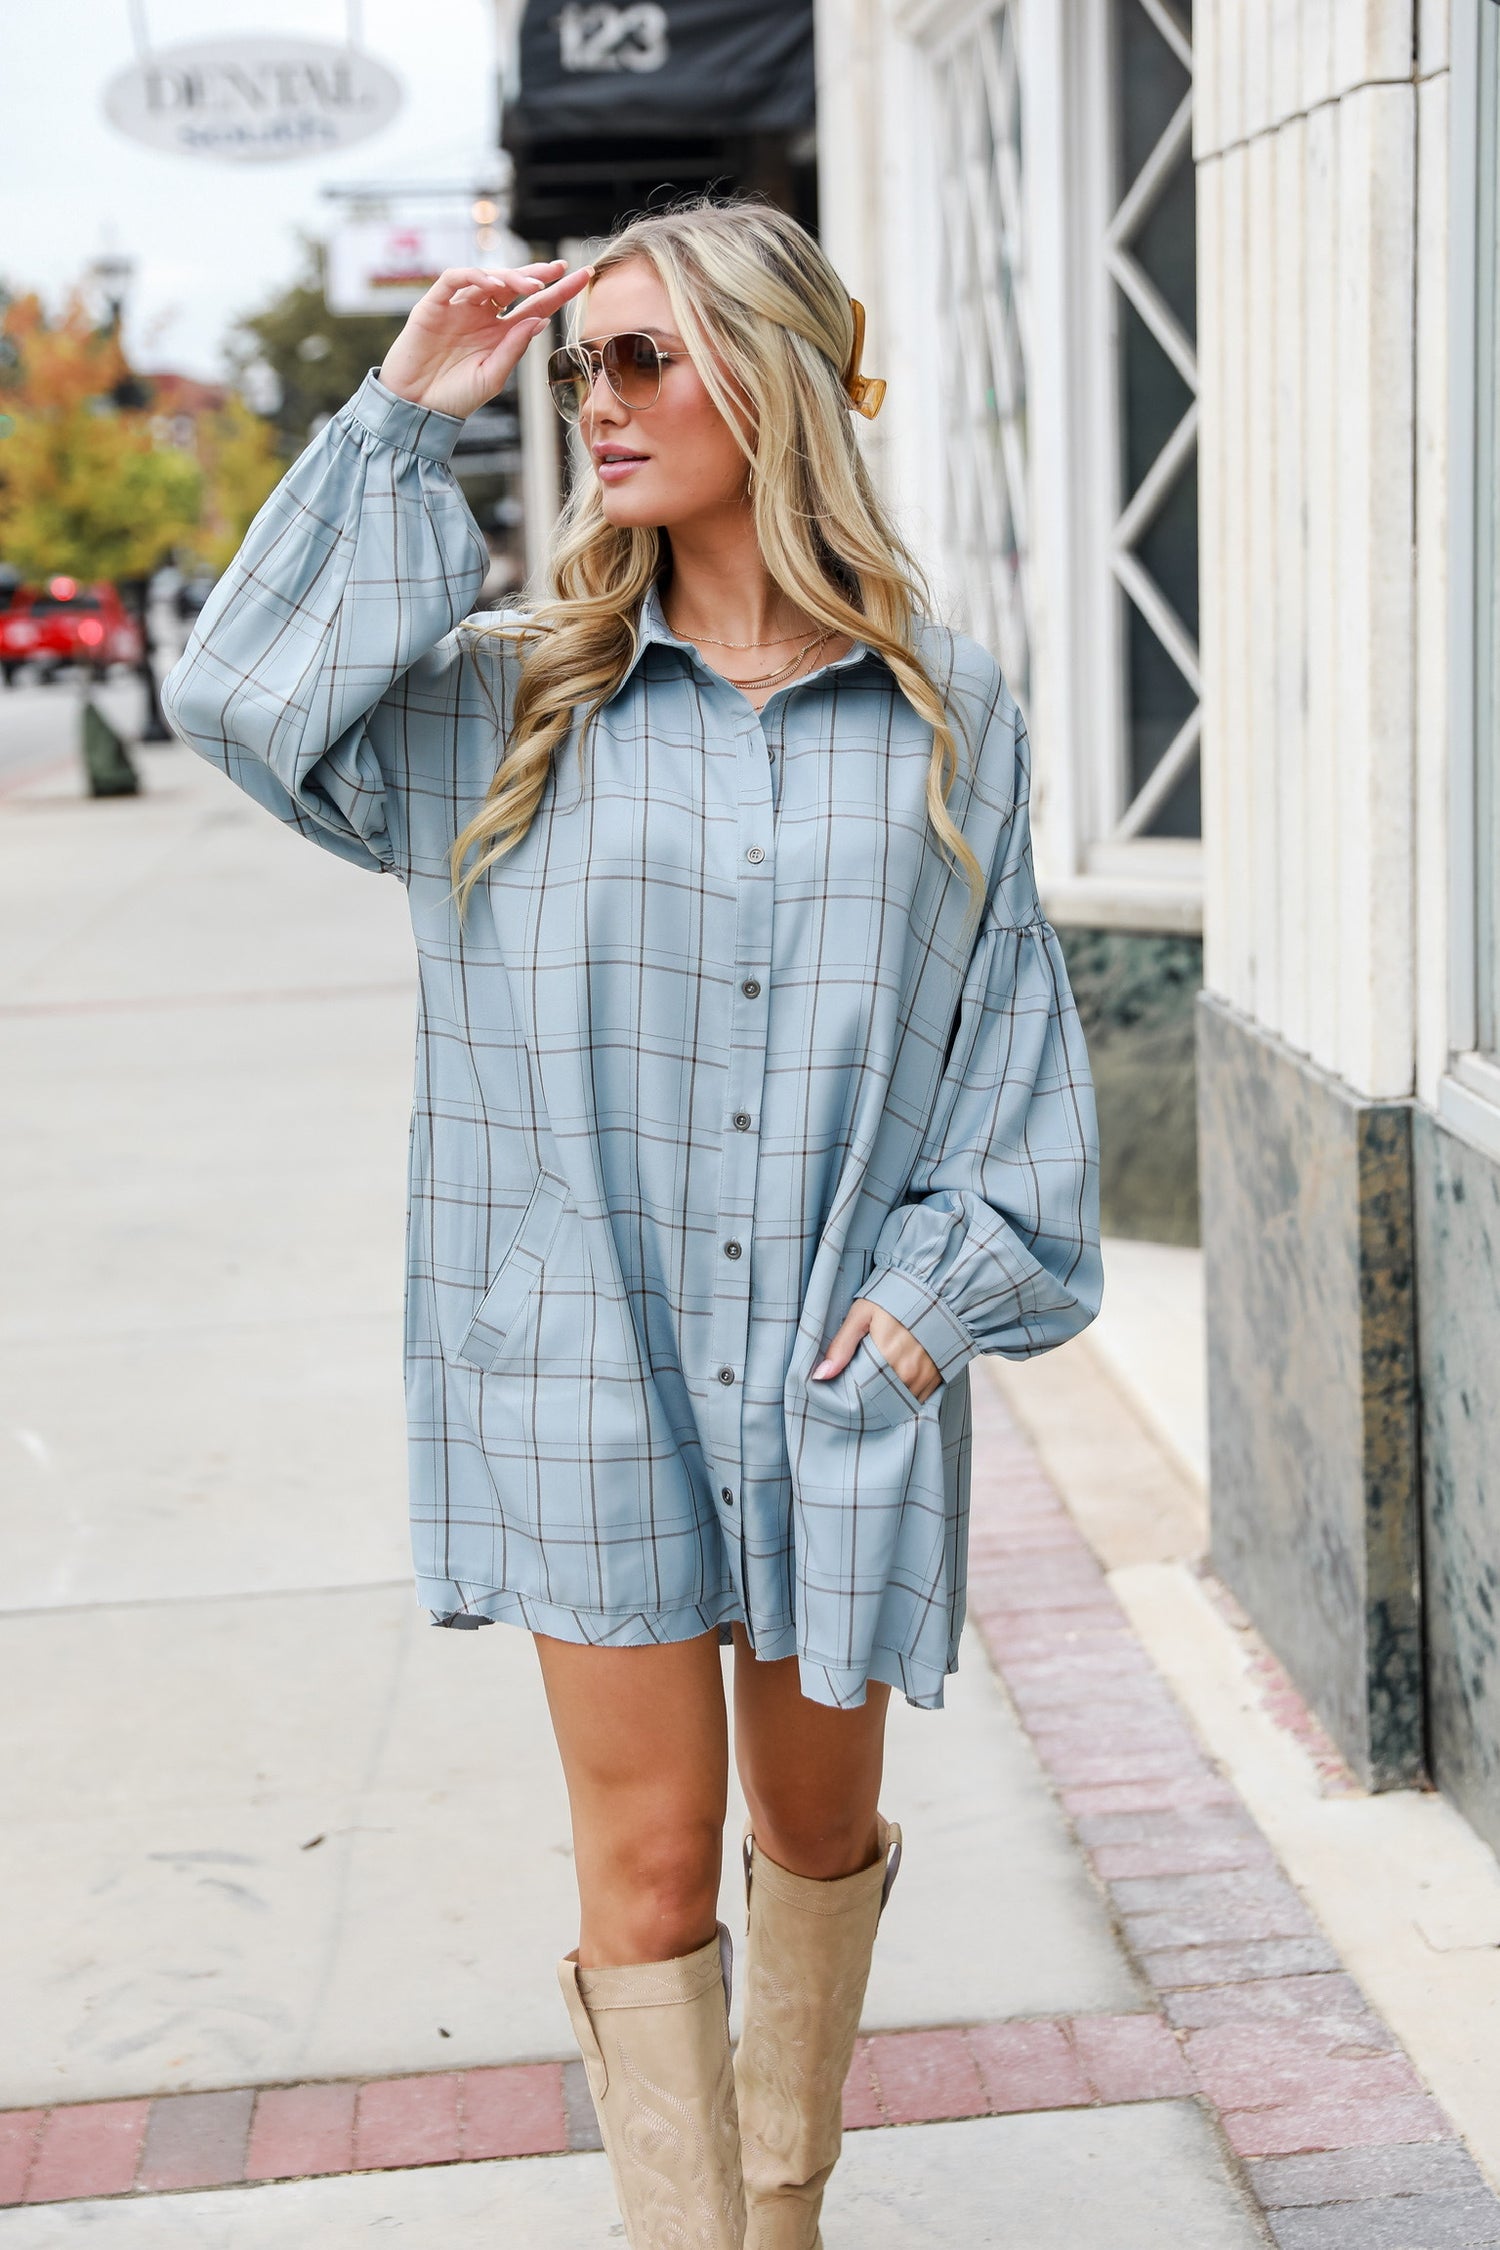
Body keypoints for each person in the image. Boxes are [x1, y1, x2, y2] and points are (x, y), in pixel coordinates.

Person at [162, 196, 1101, 2249]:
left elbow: (1015, 1071)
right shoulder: (508, 707)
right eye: (589, 365)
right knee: (656, 1865)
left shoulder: (952, 718)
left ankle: (791, 2192)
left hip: (841, 1370)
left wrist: (936, 1305)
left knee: (817, 1829)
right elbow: (233, 703)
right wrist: (410, 413)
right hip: (579, 1368)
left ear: (773, 379)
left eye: (644, 358)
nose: (601, 401)